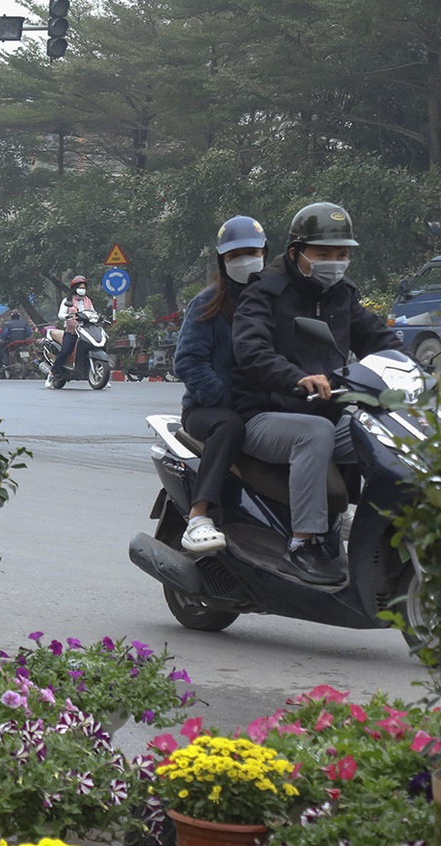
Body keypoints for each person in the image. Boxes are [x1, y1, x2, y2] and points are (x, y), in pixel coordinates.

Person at [232, 201, 402, 586]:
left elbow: (379, 339)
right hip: (263, 414)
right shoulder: (265, 292)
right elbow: (251, 350)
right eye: (323, 253)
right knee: (315, 432)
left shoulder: (342, 295)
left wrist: (422, 374)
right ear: (296, 252)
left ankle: (383, 530)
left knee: (382, 429)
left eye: (342, 254)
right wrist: (296, 378)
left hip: (324, 410)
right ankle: (303, 543)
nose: (334, 262)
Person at [171, 215, 267, 555]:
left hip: (262, 404)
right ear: (222, 260)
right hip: (208, 409)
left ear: (265, 253)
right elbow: (187, 362)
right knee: (230, 425)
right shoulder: (208, 302)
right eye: (234, 255)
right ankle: (199, 515)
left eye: (251, 252)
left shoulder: (274, 299)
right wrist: (224, 397)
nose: (245, 260)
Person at [49, 275, 103, 388]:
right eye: (80, 287)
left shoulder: (87, 300)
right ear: (75, 288)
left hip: (87, 330)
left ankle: (101, 376)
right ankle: (53, 373)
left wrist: (99, 317)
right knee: (65, 350)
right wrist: (67, 316)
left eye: (84, 287)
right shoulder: (67, 301)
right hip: (72, 331)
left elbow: (93, 312)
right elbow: (61, 314)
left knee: (96, 345)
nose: (82, 289)